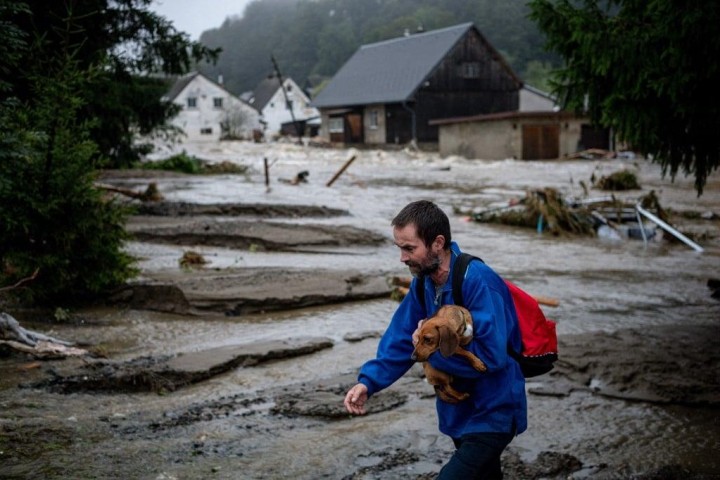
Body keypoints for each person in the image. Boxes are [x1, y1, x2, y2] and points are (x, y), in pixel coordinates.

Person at [343, 200, 527, 479]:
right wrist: (368, 382)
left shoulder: (479, 281)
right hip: (457, 412)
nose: (402, 258)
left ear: (438, 243)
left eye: (409, 248)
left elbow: (491, 358)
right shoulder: (424, 283)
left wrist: (433, 351)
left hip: (493, 412)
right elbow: (403, 338)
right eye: (400, 248)